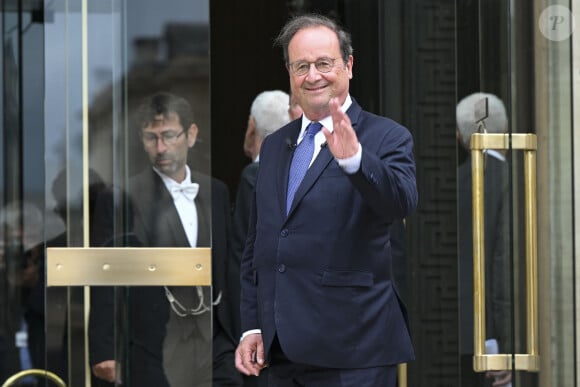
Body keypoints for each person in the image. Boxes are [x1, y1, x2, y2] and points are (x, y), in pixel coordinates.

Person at [235, 14, 418, 387]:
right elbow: (259, 243)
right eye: (301, 66)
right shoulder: (274, 145)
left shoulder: (386, 137)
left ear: (348, 65)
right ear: (289, 73)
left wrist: (354, 160)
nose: (313, 76)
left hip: (353, 353)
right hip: (280, 352)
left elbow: (400, 203)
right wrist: (252, 324)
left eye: (324, 63)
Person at [89, 92, 242, 387]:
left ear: (191, 134)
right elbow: (104, 273)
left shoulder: (217, 191)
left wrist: (238, 333)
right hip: (153, 344)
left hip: (215, 342)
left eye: (169, 136)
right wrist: (104, 349)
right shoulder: (121, 196)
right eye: (151, 138)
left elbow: (229, 266)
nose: (161, 148)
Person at [231, 90, 292, 387]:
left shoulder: (253, 176)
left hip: (266, 329)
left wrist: (246, 328)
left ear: (251, 126)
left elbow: (244, 256)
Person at [456, 92, 512, 386]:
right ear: (506, 128)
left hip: (456, 334)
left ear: (460, 136)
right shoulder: (517, 180)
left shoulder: (449, 186)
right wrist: (510, 342)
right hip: (503, 340)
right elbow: (505, 268)